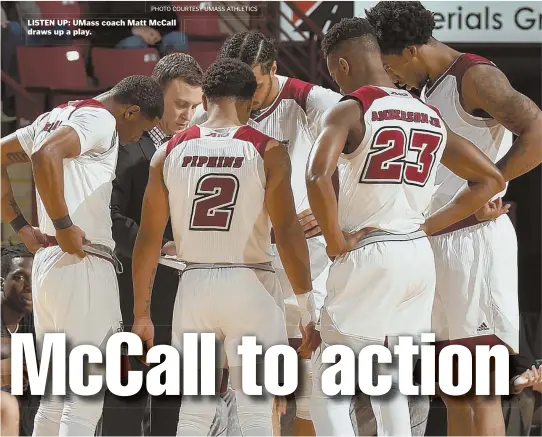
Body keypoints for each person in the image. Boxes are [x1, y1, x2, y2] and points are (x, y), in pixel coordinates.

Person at [306, 17, 506, 436]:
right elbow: (491, 179)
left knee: (328, 378)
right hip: (417, 257)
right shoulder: (429, 114)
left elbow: (315, 176)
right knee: (390, 385)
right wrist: (429, 225)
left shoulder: (352, 107)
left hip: (370, 252)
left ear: (342, 66)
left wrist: (336, 241)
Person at [365, 2, 542, 435]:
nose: (389, 76)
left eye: (388, 64)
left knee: (480, 385)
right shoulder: (428, 88)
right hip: (435, 241)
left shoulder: (475, 76)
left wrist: (491, 182)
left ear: (407, 50)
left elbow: (537, 132)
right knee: (454, 389)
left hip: (474, 240)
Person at [131, 57, 315, 436]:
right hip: (250, 284)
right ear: (250, 103)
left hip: (194, 286)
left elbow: (148, 240)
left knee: (194, 413)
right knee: (256, 412)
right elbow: (288, 231)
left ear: (205, 100)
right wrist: (306, 306)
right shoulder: (269, 150)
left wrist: (142, 313)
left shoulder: (168, 152)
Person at [191, 30, 342, 435]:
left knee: (313, 384)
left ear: (273, 69)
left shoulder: (316, 101)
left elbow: (357, 160)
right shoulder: (216, 110)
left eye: (254, 85)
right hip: (248, 259)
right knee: (261, 387)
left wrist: (335, 207)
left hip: (306, 255)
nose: (246, 95)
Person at [0, 75, 163, 436]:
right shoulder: (100, 119)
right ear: (131, 111)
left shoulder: (52, 117)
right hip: (84, 262)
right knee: (83, 398)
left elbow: (0, 156)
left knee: (56, 397)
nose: (135, 139)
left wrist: (22, 226)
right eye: (141, 130)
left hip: (49, 266)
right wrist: (63, 224)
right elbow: (46, 156)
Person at [102, 53, 203, 437]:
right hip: (134, 286)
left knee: (173, 402)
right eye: (180, 104)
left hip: (183, 290)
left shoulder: (197, 145)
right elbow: (108, 217)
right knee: (126, 400)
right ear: (158, 95)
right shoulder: (125, 146)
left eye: (195, 106)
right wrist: (158, 247)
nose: (187, 114)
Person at [1, 244, 36, 436]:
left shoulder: (37, 322)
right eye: (20, 277)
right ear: (1, 283)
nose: (29, 286)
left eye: (34, 277)